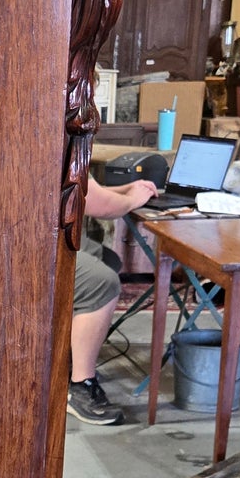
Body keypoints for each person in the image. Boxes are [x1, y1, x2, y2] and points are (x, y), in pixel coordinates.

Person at [67, 175, 159, 425]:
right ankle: (80, 386)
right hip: (19, 242)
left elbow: (82, 187)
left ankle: (65, 356)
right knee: (101, 282)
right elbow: (100, 206)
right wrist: (132, 199)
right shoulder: (53, 135)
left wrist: (128, 189)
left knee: (107, 258)